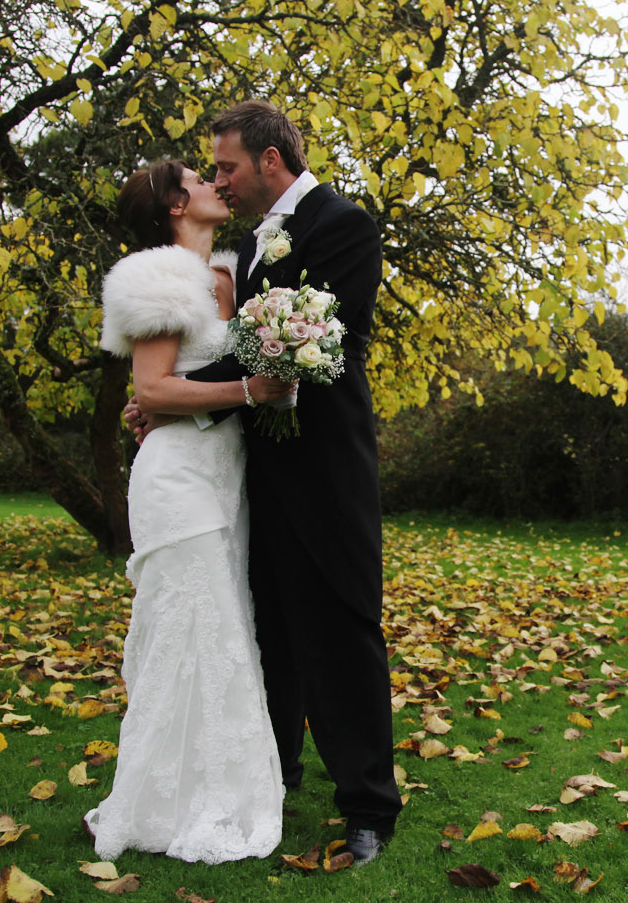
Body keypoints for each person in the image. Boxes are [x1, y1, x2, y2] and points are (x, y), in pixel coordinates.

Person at [136, 100, 402, 865]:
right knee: (272, 634)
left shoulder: (343, 226)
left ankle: (368, 807)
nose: (219, 178)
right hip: (256, 476)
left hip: (326, 471)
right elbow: (244, 353)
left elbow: (313, 345)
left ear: (271, 161)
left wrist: (172, 395)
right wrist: (167, 397)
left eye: (227, 167)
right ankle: (274, 776)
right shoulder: (251, 244)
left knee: (343, 633)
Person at [85, 159, 291, 863]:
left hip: (227, 476)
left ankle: (209, 787)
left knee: (224, 623)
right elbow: (152, 390)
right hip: (175, 481)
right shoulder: (158, 277)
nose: (215, 183)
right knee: (198, 627)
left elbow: (194, 379)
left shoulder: (233, 276)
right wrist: (249, 392)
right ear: (175, 204)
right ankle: (167, 803)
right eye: (200, 178)